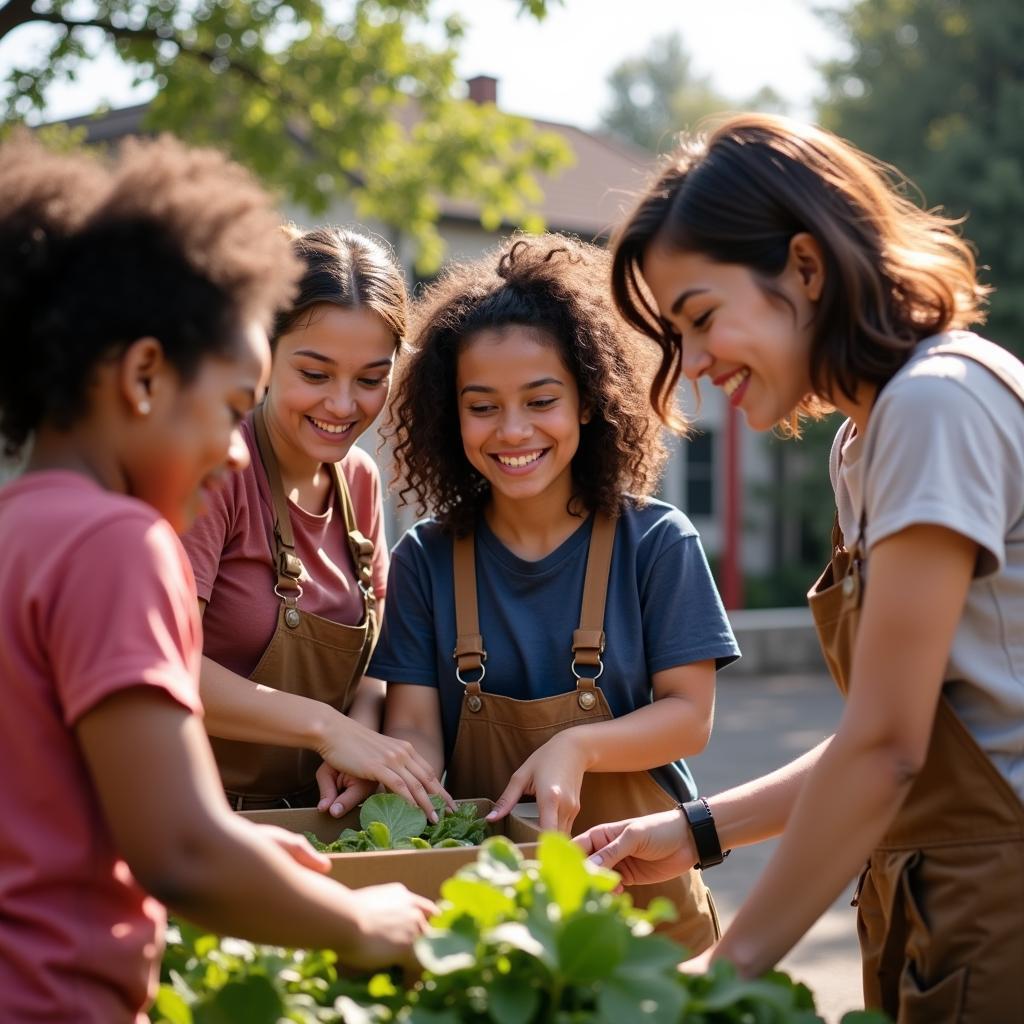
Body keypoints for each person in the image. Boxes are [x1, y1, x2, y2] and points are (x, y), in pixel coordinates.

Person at [577, 113, 1024, 1022]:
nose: (694, 364)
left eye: (701, 318)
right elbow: (906, 731)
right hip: (929, 894)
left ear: (806, 268)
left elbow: (888, 751)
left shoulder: (936, 407)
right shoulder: (865, 439)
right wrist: (692, 830)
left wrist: (724, 969)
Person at [0, 133, 434, 1024]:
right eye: (237, 407)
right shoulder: (116, 543)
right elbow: (181, 852)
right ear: (145, 376)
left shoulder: (21, 527)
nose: (239, 448)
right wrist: (361, 921)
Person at [371, 234, 740, 953]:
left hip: (643, 903)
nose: (513, 431)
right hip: (492, 912)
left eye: (541, 400)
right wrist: (394, 774)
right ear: (452, 416)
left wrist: (578, 746)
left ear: (590, 403)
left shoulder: (658, 543)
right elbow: (414, 725)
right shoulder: (426, 557)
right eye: (482, 407)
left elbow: (689, 718)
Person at [182, 225, 450, 818]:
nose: (342, 404)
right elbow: (165, 663)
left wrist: (361, 735)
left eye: (370, 379)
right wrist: (325, 728)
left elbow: (375, 665)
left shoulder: (359, 480)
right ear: (264, 354)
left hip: (314, 817)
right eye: (315, 373)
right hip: (194, 820)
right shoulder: (217, 468)